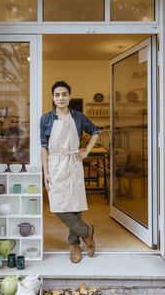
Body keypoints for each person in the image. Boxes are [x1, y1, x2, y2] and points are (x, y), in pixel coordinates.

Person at [40, 81, 100, 263]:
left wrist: (87, 151)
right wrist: (46, 172)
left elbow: (95, 131)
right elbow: (43, 146)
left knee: (74, 205)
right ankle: (86, 232)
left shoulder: (79, 117)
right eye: (57, 95)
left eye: (64, 94)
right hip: (55, 164)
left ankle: (74, 244)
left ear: (69, 96)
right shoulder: (46, 119)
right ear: (53, 97)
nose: (61, 98)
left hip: (73, 162)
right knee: (58, 206)